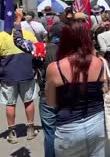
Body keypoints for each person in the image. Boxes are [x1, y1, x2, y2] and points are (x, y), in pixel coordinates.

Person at [45, 20, 110, 157]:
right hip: (98, 124)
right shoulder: (100, 63)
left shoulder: (54, 68)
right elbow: (106, 91)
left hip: (69, 129)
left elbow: (51, 103)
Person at [13, 9, 63, 156]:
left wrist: (17, 22)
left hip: (47, 94)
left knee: (50, 132)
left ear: (50, 35)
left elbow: (18, 41)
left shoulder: (41, 48)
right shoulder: (72, 49)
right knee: (68, 129)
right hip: (69, 93)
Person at [0, 20, 39, 144]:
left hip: (8, 75)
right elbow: (36, 51)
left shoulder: (1, 36)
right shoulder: (28, 34)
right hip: (26, 73)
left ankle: (12, 133)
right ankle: (30, 129)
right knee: (28, 101)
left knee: (10, 104)